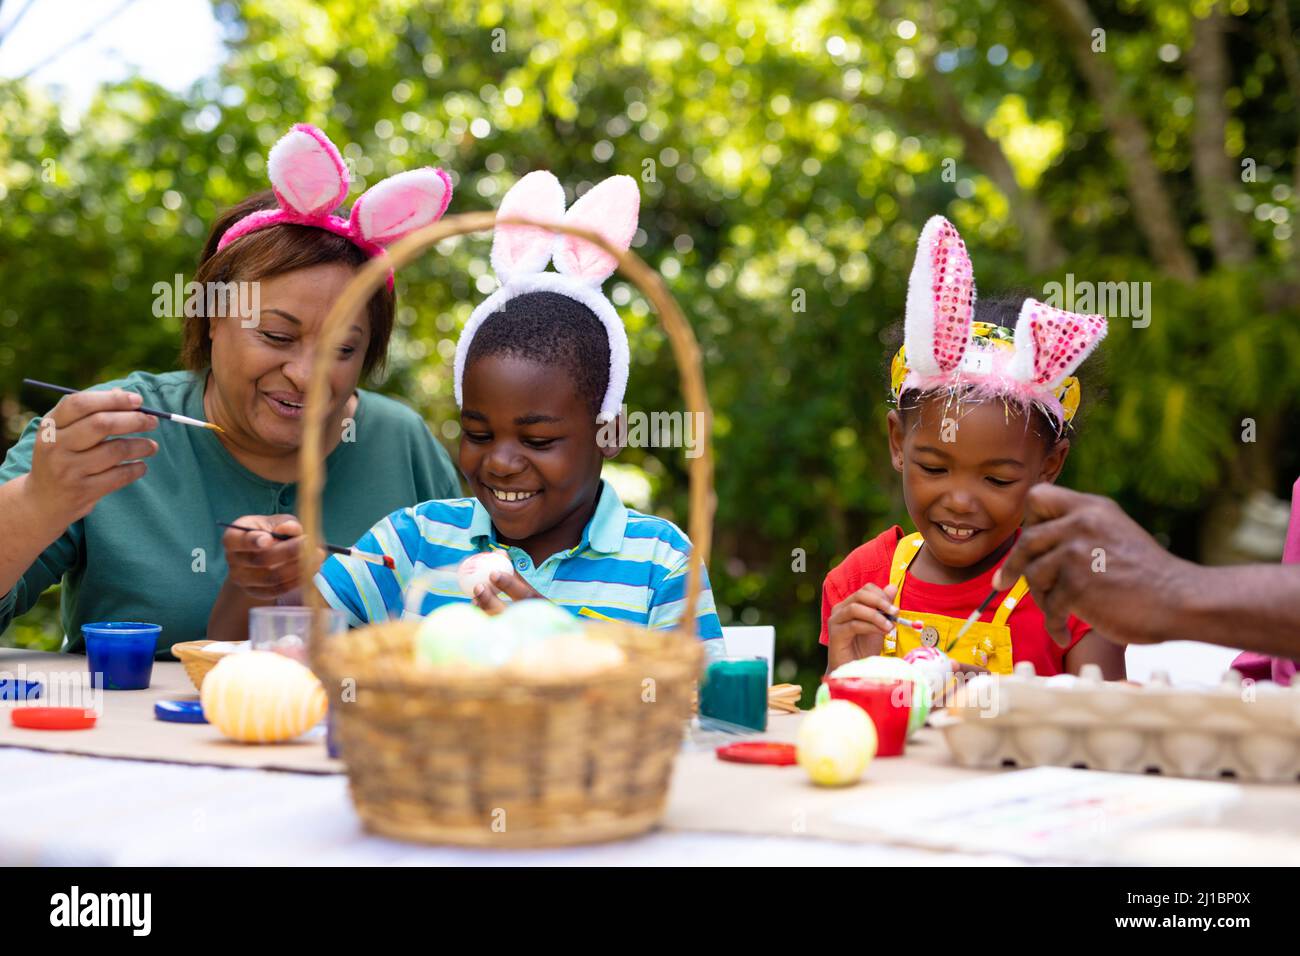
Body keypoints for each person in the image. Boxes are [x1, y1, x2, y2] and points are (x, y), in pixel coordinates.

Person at [0, 123, 460, 654]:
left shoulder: (400, 445)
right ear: (211, 316)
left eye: (341, 350)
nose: (307, 376)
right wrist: (38, 501)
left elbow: (471, 630)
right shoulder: (106, 431)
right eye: (277, 335)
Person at [313, 172, 723, 646]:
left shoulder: (661, 562)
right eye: (479, 434)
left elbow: (702, 709)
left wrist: (556, 642)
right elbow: (281, 654)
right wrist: (265, 578)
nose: (500, 463)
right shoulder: (414, 543)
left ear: (609, 434)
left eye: (538, 441)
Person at [821, 216, 1124, 679]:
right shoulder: (860, 583)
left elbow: (1107, 739)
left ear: (1049, 466)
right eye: (935, 469)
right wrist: (845, 673)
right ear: (899, 442)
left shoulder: (1077, 593)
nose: (960, 501)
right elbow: (840, 738)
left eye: (997, 479)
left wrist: (999, 705)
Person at [995, 481, 1300, 674]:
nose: (959, 501)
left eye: (998, 479)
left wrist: (1173, 589)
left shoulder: (1075, 601)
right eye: (942, 469)